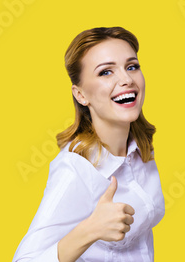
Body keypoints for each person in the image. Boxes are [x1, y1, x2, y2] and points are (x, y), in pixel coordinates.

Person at [12, 27, 165, 262]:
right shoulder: (76, 169)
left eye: (132, 66)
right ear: (81, 95)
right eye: (106, 72)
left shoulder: (140, 148)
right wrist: (91, 229)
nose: (126, 79)